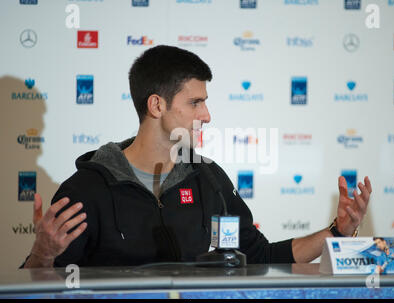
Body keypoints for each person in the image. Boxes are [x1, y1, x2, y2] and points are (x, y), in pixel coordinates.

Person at [22, 45, 372, 268]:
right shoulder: (87, 188)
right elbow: (33, 287)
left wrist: (337, 231)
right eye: (195, 102)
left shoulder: (210, 179)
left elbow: (262, 259)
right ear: (156, 104)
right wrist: (43, 254)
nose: (207, 115)